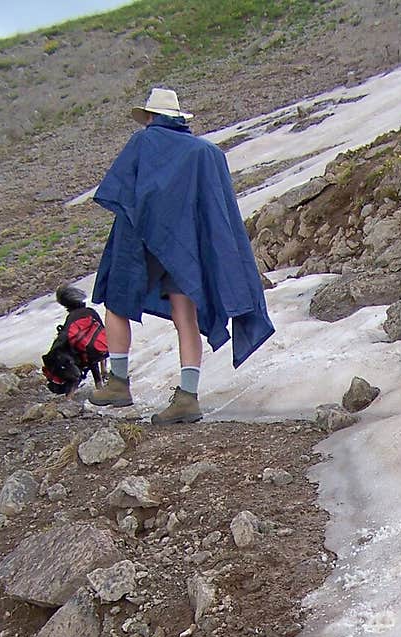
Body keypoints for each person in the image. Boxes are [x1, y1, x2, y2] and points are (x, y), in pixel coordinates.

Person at [89, 87, 274, 425]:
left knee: (117, 301)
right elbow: (217, 211)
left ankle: (117, 383)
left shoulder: (143, 143)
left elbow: (121, 192)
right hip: (187, 245)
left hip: (142, 238)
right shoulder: (206, 154)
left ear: (149, 117)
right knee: (183, 314)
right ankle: (188, 396)